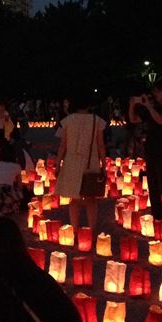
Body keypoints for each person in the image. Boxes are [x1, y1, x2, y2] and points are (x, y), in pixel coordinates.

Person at [57, 93, 107, 237]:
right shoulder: (96, 120)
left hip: (72, 161)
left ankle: (74, 229)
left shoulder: (68, 120)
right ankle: (91, 229)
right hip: (90, 161)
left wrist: (57, 164)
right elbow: (101, 145)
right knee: (91, 198)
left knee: (75, 198)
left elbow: (63, 145)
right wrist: (103, 164)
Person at [129, 80, 162, 221]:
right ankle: (157, 216)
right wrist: (132, 105)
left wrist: (149, 106)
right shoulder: (153, 108)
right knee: (152, 185)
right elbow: (134, 119)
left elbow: (161, 120)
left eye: (158, 91)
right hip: (151, 148)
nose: (155, 94)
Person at [0, 143, 25, 217]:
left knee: (1, 196)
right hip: (8, 193)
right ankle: (8, 207)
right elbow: (20, 185)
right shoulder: (16, 166)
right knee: (18, 192)